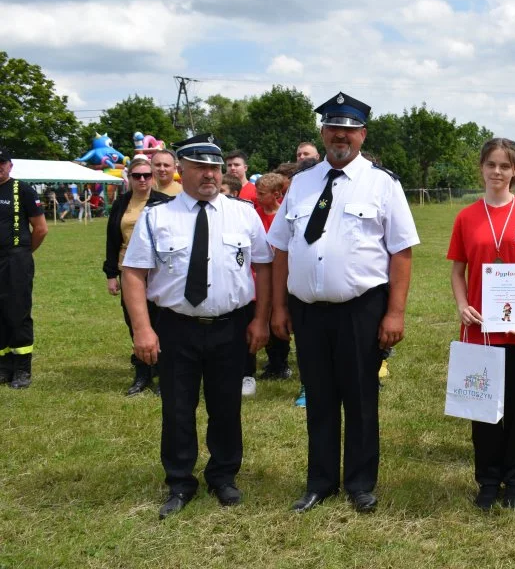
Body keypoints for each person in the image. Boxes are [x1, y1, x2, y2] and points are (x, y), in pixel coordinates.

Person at [267, 92, 419, 515]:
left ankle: (360, 482)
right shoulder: (301, 183)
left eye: (350, 130)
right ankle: (320, 481)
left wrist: (395, 312)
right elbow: (280, 247)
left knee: (360, 397)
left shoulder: (382, 183)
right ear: (323, 132)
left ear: (362, 134)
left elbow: (401, 252)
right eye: (334, 128)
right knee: (318, 396)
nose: (341, 136)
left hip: (361, 309)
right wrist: (278, 308)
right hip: (308, 310)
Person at [121, 134, 273, 520]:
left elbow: (265, 267)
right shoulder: (157, 217)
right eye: (200, 167)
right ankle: (179, 481)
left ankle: (223, 476)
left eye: (214, 168)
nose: (209, 175)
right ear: (180, 170)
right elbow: (134, 274)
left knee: (226, 406)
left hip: (230, 326)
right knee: (176, 408)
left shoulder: (244, 214)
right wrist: (143, 329)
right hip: (175, 327)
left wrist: (260, 319)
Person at [448, 137, 515, 510]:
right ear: (481, 167)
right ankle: (488, 480)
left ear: (513, 171)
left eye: (504, 166)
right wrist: (462, 305)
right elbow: (457, 272)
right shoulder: (466, 216)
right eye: (491, 164)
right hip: (481, 329)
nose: (497, 172)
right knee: (484, 409)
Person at [103, 157, 173, 395]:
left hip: (159, 272)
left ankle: (164, 376)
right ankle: (142, 374)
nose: (142, 180)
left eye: (146, 175)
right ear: (129, 178)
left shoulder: (165, 203)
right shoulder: (121, 203)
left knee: (161, 324)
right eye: (137, 176)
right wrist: (111, 274)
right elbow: (112, 239)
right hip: (128, 271)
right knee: (135, 324)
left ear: (153, 177)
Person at [0, 146, 48, 388]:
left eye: (2, 163)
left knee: (17, 311)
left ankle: (22, 368)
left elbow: (41, 228)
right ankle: (3, 365)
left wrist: (24, 253)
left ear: (10, 165)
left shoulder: (23, 190)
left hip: (16, 259)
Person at [252, 173, 291, 381]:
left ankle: (281, 362)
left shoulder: (284, 217)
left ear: (276, 194)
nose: (257, 197)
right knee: (263, 316)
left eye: (261, 194)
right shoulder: (254, 215)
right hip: (259, 274)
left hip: (281, 275)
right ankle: (272, 360)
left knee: (279, 316)